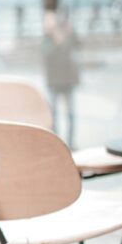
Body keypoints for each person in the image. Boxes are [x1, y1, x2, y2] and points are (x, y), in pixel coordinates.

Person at [41, 9, 80, 148]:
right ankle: (57, 144)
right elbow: (48, 56)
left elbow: (77, 45)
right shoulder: (47, 39)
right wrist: (57, 40)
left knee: (70, 114)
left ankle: (71, 143)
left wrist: (70, 32)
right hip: (54, 82)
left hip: (67, 80)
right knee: (54, 116)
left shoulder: (66, 34)